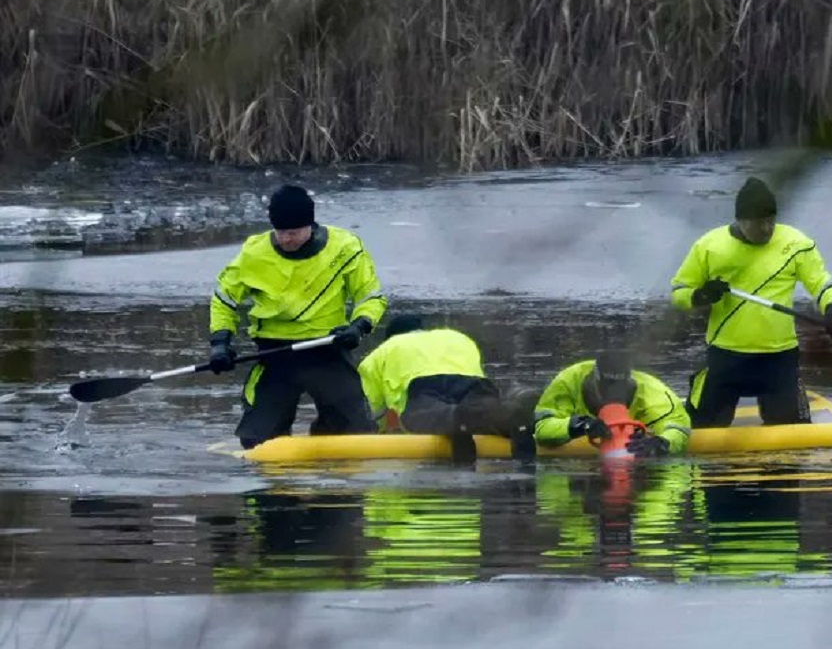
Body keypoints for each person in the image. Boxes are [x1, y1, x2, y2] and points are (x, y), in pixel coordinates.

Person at [208, 184, 387, 448]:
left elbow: (370, 297)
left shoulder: (345, 248)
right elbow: (223, 300)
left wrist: (358, 327)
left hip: (327, 350)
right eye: (281, 232)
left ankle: (329, 437)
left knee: (357, 435)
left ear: (310, 226)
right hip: (275, 354)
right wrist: (220, 343)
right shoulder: (253, 253)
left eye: (293, 232)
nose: (286, 239)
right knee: (255, 440)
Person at [669, 176, 832, 428]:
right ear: (741, 221)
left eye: (771, 221)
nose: (766, 229)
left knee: (792, 432)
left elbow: (821, 283)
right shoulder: (709, 246)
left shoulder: (796, 244)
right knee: (700, 427)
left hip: (779, 358)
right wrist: (701, 295)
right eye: (758, 223)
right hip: (726, 358)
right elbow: (679, 292)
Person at [357, 314, 509, 436]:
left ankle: (457, 418)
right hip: (474, 385)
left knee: (432, 415)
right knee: (486, 410)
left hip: (424, 389)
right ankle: (509, 414)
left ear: (391, 337)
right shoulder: (458, 337)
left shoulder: (385, 350)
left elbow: (369, 412)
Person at [532, 351, 692, 457]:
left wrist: (661, 442)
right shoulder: (569, 381)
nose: (613, 392)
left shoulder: (655, 394)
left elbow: (678, 426)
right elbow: (542, 427)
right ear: (594, 380)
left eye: (618, 385)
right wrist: (578, 425)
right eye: (607, 385)